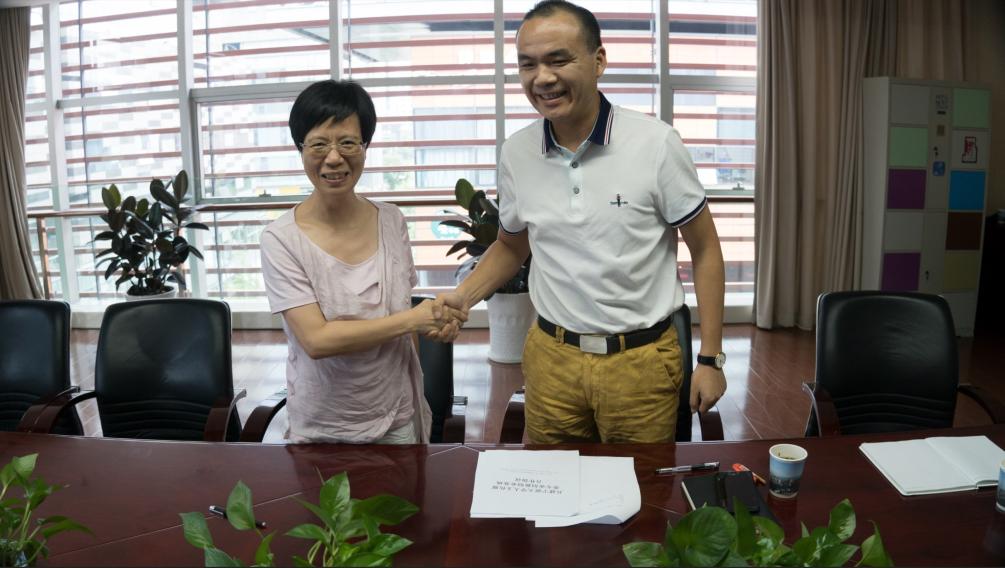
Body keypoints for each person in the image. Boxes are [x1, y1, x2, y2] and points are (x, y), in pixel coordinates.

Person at [434, 0, 727, 443]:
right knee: (552, 483)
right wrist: (462, 297)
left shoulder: (656, 144)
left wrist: (710, 359)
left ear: (598, 61)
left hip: (641, 363)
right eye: (528, 64)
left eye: (559, 60)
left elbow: (705, 249)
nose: (542, 78)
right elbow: (512, 245)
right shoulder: (517, 153)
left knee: (638, 484)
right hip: (552, 359)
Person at [260, 80, 463, 444]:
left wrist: (433, 326)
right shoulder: (280, 239)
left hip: (398, 414)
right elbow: (317, 340)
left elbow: (403, 317)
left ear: (365, 146)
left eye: (348, 143)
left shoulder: (391, 220)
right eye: (318, 144)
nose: (333, 158)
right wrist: (415, 319)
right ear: (300, 148)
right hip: (323, 424)